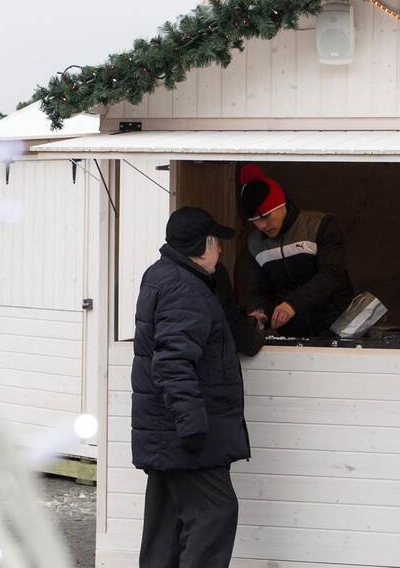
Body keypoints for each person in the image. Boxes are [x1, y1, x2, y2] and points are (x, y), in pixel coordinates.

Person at [131, 206, 262, 568]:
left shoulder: (163, 275)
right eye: (217, 243)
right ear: (204, 247)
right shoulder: (184, 289)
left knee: (166, 531)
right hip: (188, 437)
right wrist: (191, 428)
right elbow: (173, 362)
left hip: (166, 431)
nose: (220, 251)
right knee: (215, 514)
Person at [238, 163, 353, 337]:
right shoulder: (255, 243)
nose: (261, 225)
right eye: (254, 220)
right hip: (292, 333)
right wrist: (259, 314)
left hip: (337, 327)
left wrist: (292, 304)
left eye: (264, 216)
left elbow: (332, 274)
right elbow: (259, 290)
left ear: (280, 205)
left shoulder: (320, 225)